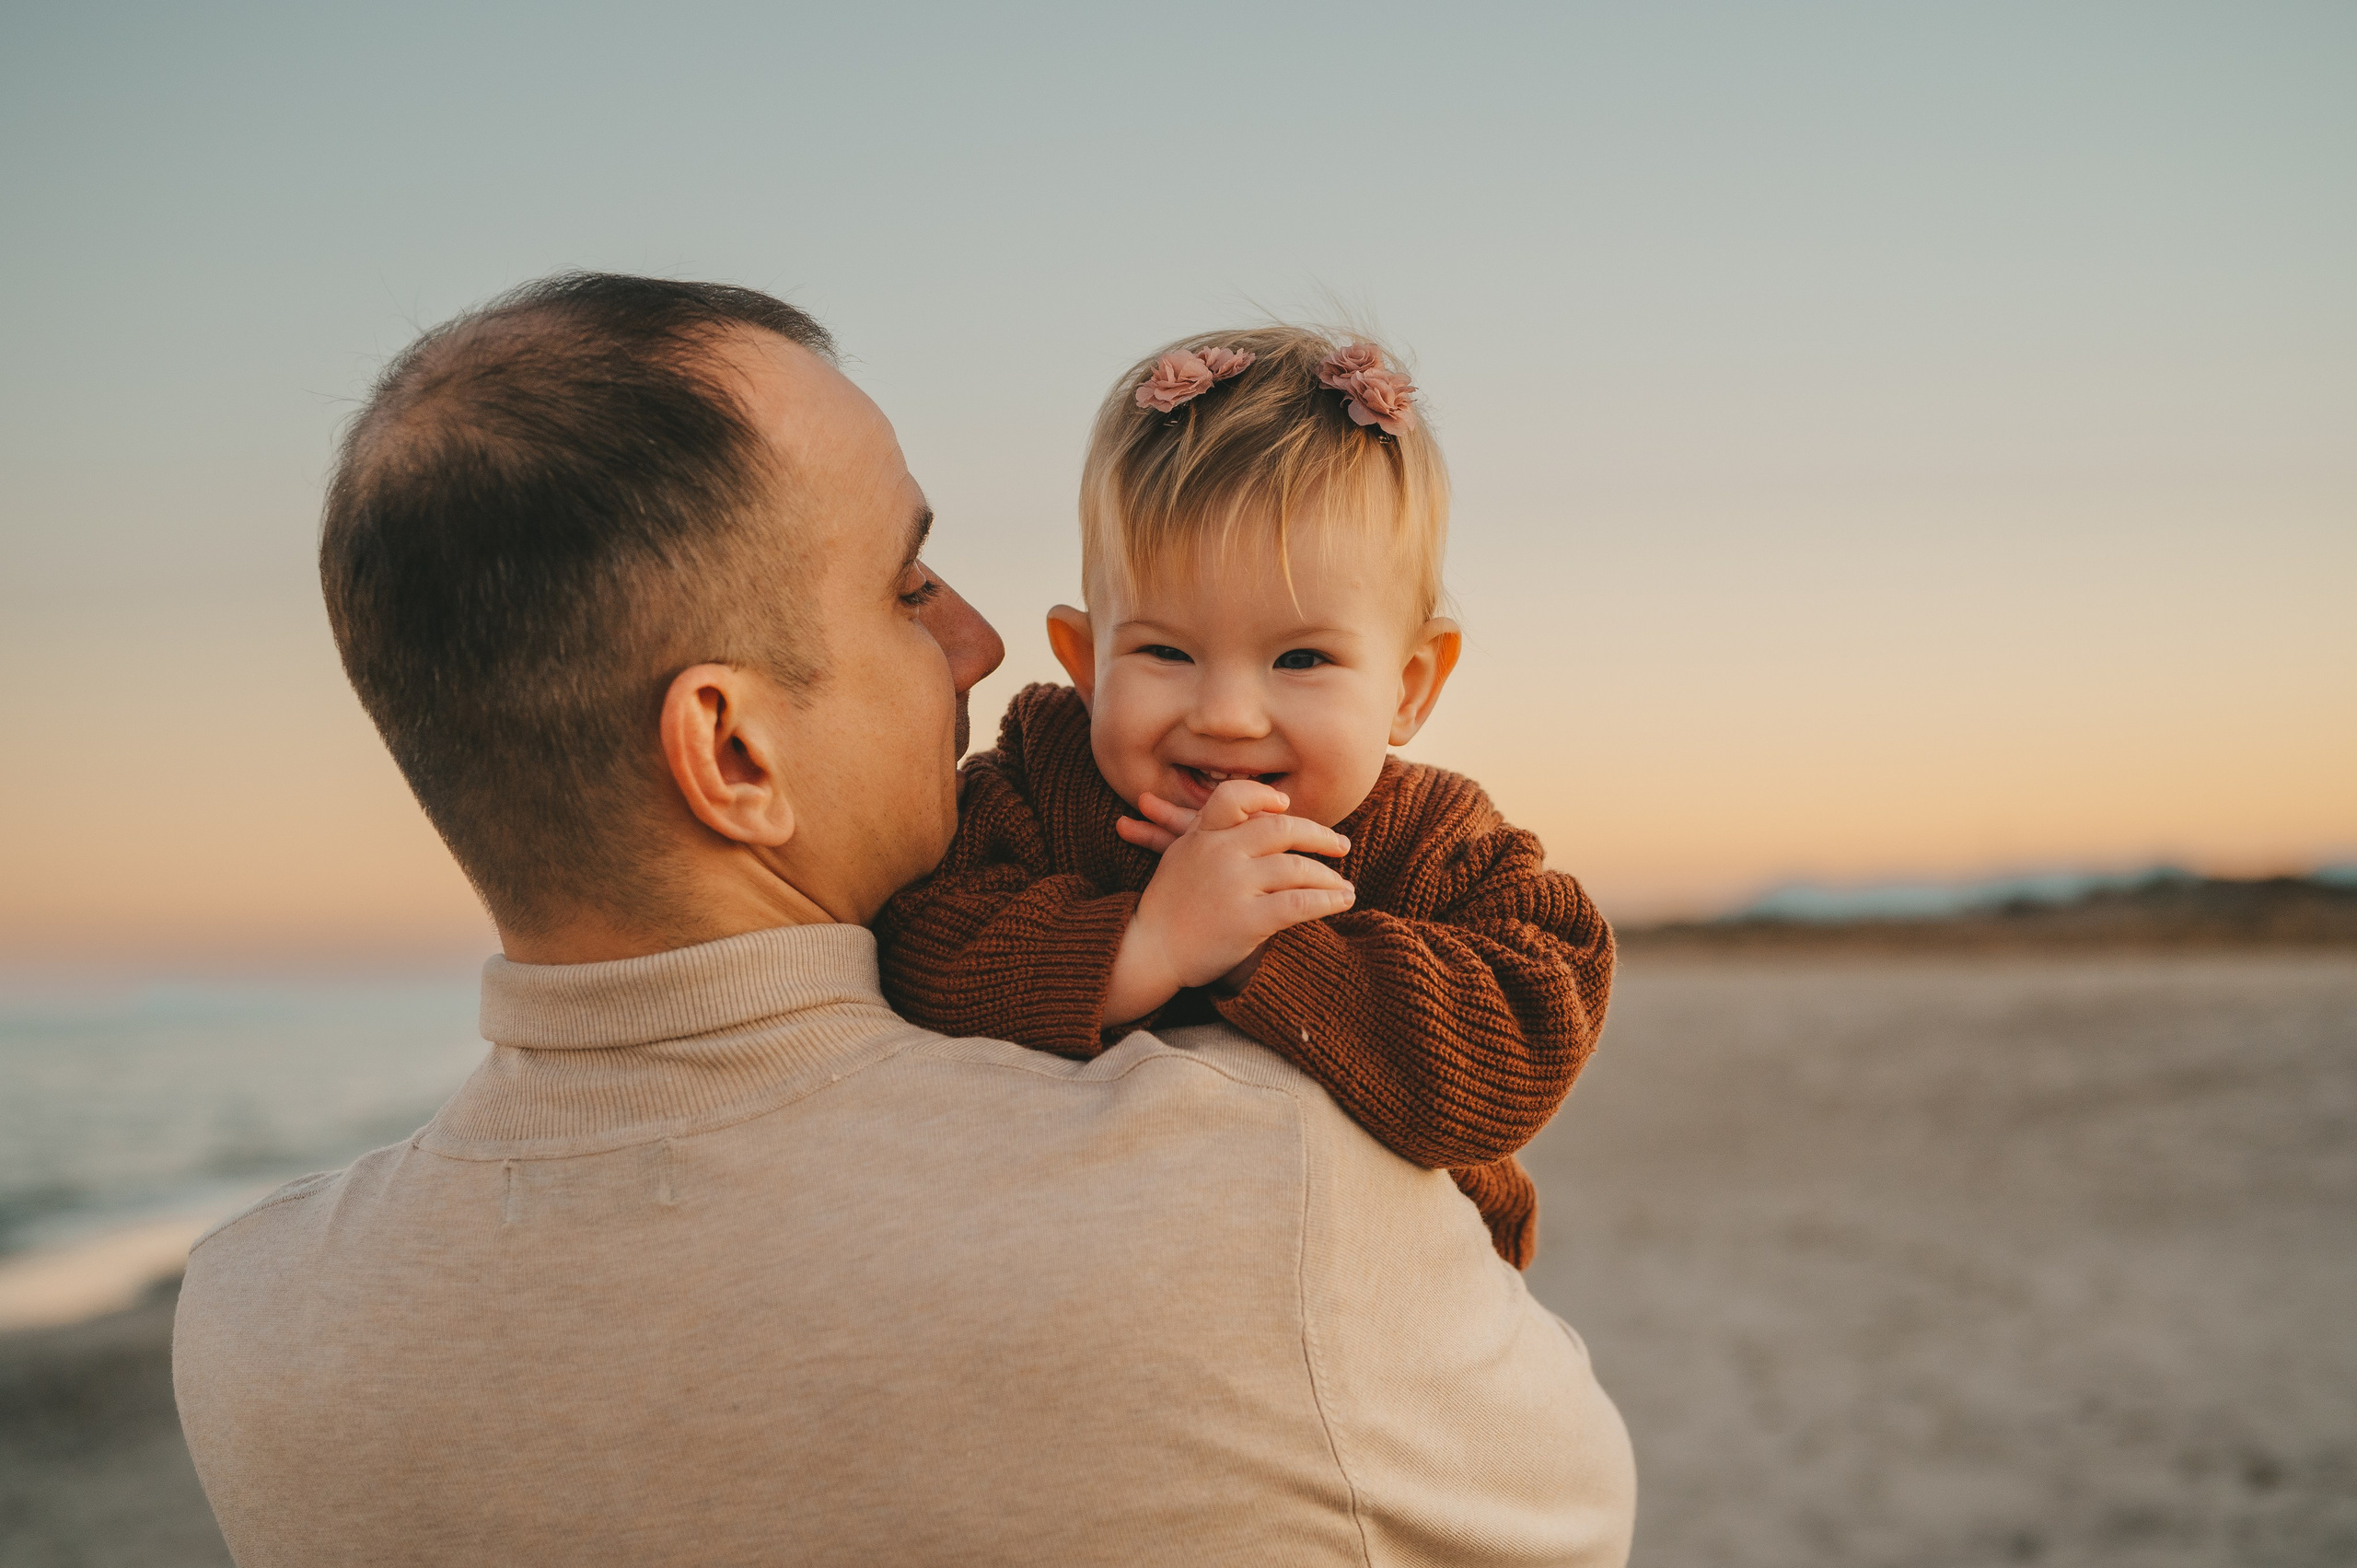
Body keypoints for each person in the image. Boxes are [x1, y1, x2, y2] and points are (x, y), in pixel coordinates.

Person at [171, 273, 1636, 1566]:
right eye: (908, 584)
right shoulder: (1277, 1187)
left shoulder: (247, 1332)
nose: (982, 645)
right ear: (734, 751)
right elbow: (1574, 1515)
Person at [876, 326, 1613, 1269]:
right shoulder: (1034, 783)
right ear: (1086, 663)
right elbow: (917, 942)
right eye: (1165, 652)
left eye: (1301, 658)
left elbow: (1521, 1041)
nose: (1225, 715)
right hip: (1073, 1274)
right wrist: (1147, 942)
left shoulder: (1435, 841)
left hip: (1380, 1313)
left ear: (1409, 685)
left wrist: (1268, 940)